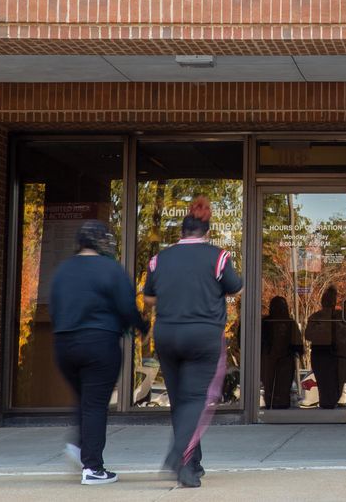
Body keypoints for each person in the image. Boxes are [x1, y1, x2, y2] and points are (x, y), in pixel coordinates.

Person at [143, 196, 243, 488]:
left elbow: (149, 297)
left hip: (167, 334)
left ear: (181, 233)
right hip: (203, 335)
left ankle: (191, 465)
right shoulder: (219, 257)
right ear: (207, 231)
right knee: (195, 401)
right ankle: (179, 456)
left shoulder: (159, 259)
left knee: (180, 401)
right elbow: (235, 287)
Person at [49, 219, 148, 485]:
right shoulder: (110, 269)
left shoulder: (63, 270)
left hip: (64, 344)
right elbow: (127, 306)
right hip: (99, 343)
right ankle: (92, 468)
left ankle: (80, 448)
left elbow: (53, 308)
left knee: (84, 398)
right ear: (102, 242)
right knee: (94, 404)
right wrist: (142, 327)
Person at [304, 286, 346, 409]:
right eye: (328, 298)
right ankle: (326, 404)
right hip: (322, 352)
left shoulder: (342, 317)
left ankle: (329, 403)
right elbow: (308, 335)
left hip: (336, 353)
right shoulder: (316, 317)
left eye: (331, 298)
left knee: (336, 382)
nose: (329, 301)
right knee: (324, 383)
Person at [260, 295, 303, 409]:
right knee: (269, 385)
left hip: (286, 358)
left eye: (282, 307)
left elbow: (298, 342)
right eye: (277, 307)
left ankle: (282, 405)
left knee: (284, 385)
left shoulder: (290, 323)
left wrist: (297, 351)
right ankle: (271, 404)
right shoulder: (265, 323)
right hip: (268, 357)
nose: (280, 309)